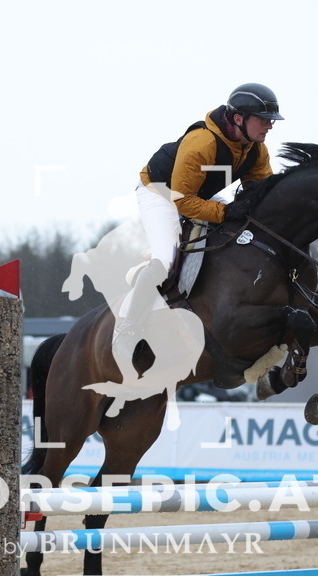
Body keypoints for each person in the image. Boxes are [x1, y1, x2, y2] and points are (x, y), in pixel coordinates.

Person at [112, 83, 285, 365]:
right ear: (239, 118)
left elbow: (261, 194)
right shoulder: (201, 143)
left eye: (271, 121)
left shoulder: (256, 150)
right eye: (263, 120)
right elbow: (183, 201)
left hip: (198, 193)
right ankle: (128, 327)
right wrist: (226, 212)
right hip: (162, 193)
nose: (269, 126)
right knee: (165, 260)